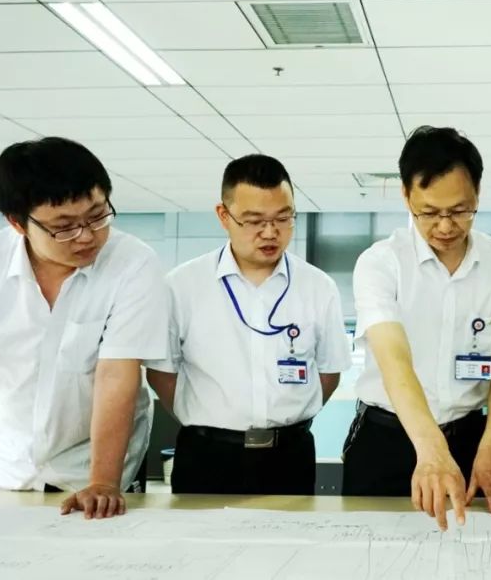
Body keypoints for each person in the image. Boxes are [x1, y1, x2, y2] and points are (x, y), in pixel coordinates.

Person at [0, 137, 168, 519]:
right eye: (64, 227)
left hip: (99, 470)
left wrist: (103, 482)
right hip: (9, 469)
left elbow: (117, 374)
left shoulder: (133, 263)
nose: (87, 235)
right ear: (18, 223)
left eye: (97, 216)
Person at [341, 125, 491, 530]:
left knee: (474, 547)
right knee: (372, 548)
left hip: (470, 439)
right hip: (387, 437)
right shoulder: (381, 263)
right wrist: (430, 450)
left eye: (460, 211)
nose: (446, 226)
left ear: (478, 194)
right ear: (406, 196)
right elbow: (395, 361)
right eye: (429, 212)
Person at [146, 154, 351, 495]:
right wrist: (209, 421)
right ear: (223, 216)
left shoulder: (318, 287)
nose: (270, 232)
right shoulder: (182, 286)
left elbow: (329, 373)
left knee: (293, 532)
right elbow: (161, 374)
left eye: (283, 218)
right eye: (254, 221)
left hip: (289, 455)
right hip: (206, 455)